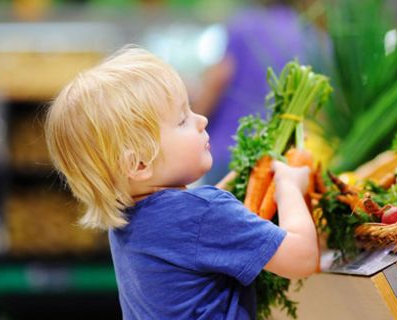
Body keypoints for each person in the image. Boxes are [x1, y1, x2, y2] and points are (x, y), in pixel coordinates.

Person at [44, 46, 318, 319]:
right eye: (183, 119)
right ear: (139, 164)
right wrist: (289, 187)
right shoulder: (204, 214)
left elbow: (191, 230)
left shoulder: (128, 220)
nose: (201, 120)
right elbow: (302, 258)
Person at [192, 1, 311, 185]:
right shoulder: (306, 32)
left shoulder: (244, 24)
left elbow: (218, 80)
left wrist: (189, 122)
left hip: (228, 149)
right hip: (278, 155)